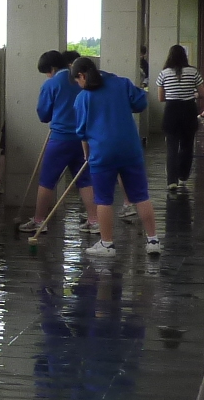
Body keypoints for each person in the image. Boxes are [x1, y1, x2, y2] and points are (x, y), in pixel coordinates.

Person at [63, 55, 160, 258]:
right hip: (130, 149)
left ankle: (107, 244)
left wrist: (87, 155)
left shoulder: (83, 98)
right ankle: (153, 241)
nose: (79, 85)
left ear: (82, 75)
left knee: (103, 199)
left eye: (77, 80)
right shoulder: (121, 83)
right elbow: (141, 102)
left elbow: (82, 133)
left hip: (102, 153)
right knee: (141, 196)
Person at [18, 48, 91, 233]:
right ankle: (94, 220)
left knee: (47, 180)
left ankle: (39, 221)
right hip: (83, 138)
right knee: (85, 180)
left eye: (47, 72)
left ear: (52, 68)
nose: (47, 75)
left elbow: (43, 114)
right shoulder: (80, 79)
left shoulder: (51, 84)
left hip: (60, 138)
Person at [155, 44, 202, 192]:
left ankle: (171, 181)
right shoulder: (193, 72)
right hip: (189, 110)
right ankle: (183, 176)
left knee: (172, 146)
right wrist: (193, 94)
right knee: (187, 145)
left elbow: (160, 98)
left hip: (172, 110)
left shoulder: (164, 74)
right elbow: (203, 93)